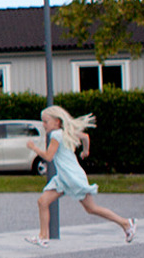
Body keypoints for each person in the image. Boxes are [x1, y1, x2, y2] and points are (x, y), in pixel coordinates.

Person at [23, 105, 133, 246]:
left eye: (46, 121)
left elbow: (49, 157)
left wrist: (34, 148)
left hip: (71, 177)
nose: (43, 125)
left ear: (57, 121)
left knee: (91, 208)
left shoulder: (56, 135)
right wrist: (85, 151)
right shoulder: (65, 133)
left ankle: (126, 223)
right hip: (65, 177)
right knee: (43, 202)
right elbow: (85, 137)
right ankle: (43, 237)